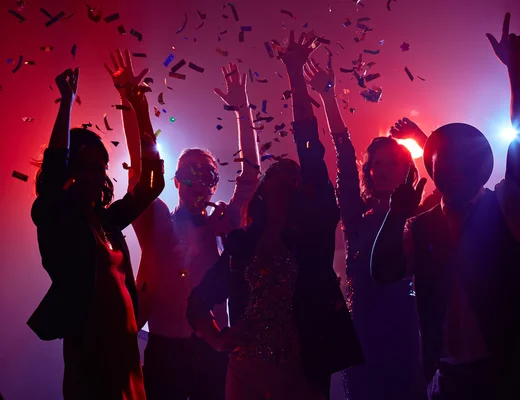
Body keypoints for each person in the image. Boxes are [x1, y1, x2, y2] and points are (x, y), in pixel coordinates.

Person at [371, 13, 520, 400]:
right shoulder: (419, 225)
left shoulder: (508, 209)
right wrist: (397, 214)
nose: (448, 167)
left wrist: (517, 71)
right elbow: (383, 272)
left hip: (510, 376)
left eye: (457, 159)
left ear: (480, 165)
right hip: (448, 379)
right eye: (440, 160)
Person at [186, 31, 364, 400]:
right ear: (264, 193)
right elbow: (197, 301)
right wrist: (217, 338)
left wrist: (295, 74)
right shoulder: (242, 244)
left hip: (303, 368)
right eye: (277, 180)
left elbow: (310, 147)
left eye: (295, 181)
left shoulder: (313, 234)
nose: (286, 185)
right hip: (246, 372)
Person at [105, 50, 260, 400]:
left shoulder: (225, 222)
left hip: (214, 350)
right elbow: (144, 171)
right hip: (166, 352)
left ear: (214, 183)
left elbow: (250, 177)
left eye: (207, 174)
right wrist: (132, 101)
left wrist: (243, 109)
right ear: (175, 181)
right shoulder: (158, 222)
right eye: (189, 173)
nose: (198, 181)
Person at [303, 58, 438, 399]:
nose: (388, 169)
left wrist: (422, 139)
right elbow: (344, 155)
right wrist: (329, 97)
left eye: (397, 162)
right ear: (370, 172)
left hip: (407, 329)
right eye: (379, 163)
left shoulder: (417, 214)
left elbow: (450, 180)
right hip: (362, 329)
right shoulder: (354, 213)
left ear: (408, 169)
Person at [27, 67, 165, 399]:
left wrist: (141, 109)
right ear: (69, 170)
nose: (91, 175)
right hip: (93, 354)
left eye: (98, 167)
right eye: (82, 166)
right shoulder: (57, 217)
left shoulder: (105, 222)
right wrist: (66, 103)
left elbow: (151, 185)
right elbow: (53, 172)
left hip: (125, 350)